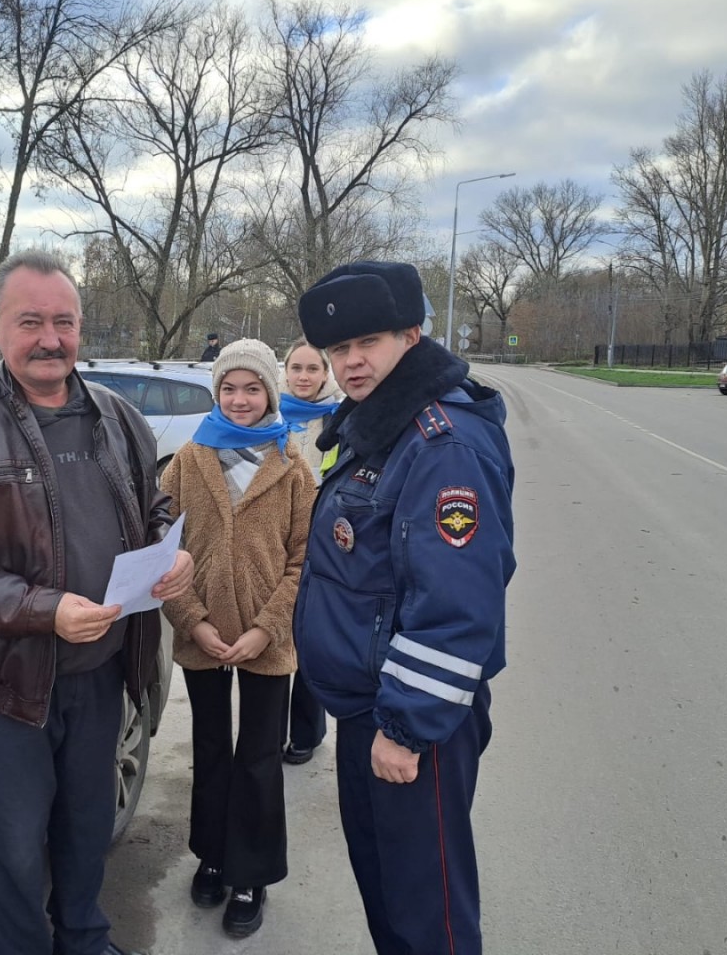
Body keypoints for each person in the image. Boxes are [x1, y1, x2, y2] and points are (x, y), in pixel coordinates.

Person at [0, 249, 193, 955]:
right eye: (32, 321)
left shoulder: (117, 418)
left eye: (64, 321)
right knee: (14, 844)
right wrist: (41, 609)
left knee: (88, 824)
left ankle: (84, 937)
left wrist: (170, 551)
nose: (51, 338)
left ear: (81, 328)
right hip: (7, 685)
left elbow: (155, 505)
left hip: (102, 667)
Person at [292, 261, 515, 955]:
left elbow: (456, 605)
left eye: (369, 344)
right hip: (369, 709)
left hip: (414, 724)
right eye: (338, 350)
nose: (350, 363)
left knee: (429, 918)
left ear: (412, 337)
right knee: (389, 898)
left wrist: (407, 728)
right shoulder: (377, 426)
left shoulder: (442, 442)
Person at [159, 338, 316, 940]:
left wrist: (265, 629)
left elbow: (303, 562)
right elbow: (164, 549)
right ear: (216, 392)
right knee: (210, 751)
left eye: (252, 388)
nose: (240, 399)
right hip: (202, 632)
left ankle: (251, 873)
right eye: (229, 388)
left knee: (257, 758)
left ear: (270, 392)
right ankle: (213, 855)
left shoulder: (293, 469)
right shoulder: (189, 460)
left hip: (266, 643)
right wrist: (191, 618)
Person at [277, 338, 342, 765]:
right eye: (296, 368)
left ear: (325, 374)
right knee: (274, 634)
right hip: (274, 540)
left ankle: (306, 732)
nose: (303, 377)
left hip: (322, 543)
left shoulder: (341, 417)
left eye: (312, 370)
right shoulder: (270, 413)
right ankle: (266, 728)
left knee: (307, 641)